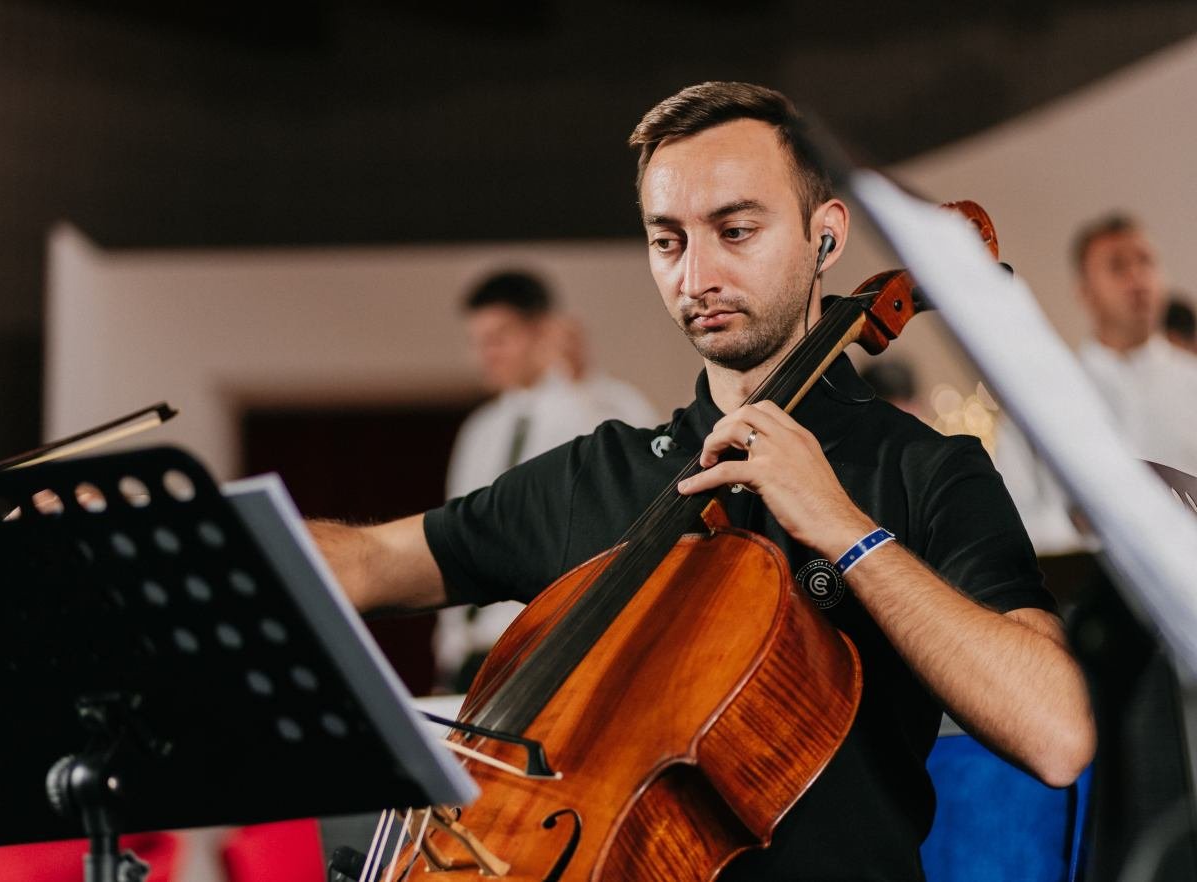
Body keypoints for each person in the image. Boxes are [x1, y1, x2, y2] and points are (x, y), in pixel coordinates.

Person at [311, 82, 1093, 880]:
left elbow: (1055, 733)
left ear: (825, 238)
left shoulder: (926, 470)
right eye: (668, 241)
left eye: (736, 230)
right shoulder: (600, 473)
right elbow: (372, 561)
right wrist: (209, 546)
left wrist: (845, 530)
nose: (697, 276)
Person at [436, 270, 657, 691]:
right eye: (478, 341)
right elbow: (458, 532)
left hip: (550, 643)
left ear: (541, 331)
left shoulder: (600, 405)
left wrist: (579, 382)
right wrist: (450, 649)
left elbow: (631, 488)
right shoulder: (480, 429)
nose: (487, 354)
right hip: (475, 650)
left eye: (500, 337)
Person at [997, 215, 1197, 553]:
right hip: (1087, 585)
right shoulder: (1042, 394)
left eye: (1146, 262)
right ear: (1086, 292)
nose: (1137, 278)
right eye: (1117, 267)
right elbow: (1014, 515)